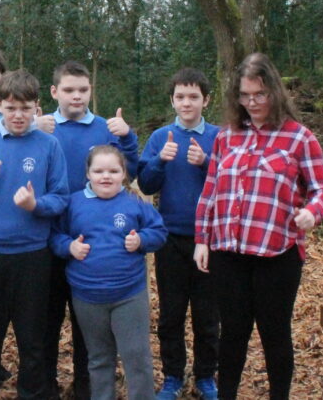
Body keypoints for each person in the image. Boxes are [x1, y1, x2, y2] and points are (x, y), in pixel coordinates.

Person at [193, 53, 323, 400]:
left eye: (260, 94)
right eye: (245, 95)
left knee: (274, 334)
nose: (252, 102)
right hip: (229, 252)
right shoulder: (227, 137)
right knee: (233, 333)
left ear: (274, 91)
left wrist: (311, 213)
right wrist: (202, 239)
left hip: (278, 253)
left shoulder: (299, 138)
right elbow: (210, 192)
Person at [0, 69, 70, 400]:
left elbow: (60, 197)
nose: (17, 115)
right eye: (10, 108)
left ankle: (31, 393)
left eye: (25, 108)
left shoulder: (49, 145)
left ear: (37, 107)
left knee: (32, 337)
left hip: (33, 255)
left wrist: (36, 204)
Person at [36, 60, 139, 399]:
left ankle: (87, 387)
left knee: (87, 325)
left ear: (90, 91)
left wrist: (128, 136)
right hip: (50, 235)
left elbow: (130, 172)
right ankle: (46, 385)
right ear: (54, 92)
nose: (76, 96)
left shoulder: (106, 129)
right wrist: (34, 131)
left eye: (82, 90)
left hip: (94, 240)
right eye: (68, 90)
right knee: (48, 320)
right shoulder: (43, 127)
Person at [50, 145, 166, 400]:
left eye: (113, 171)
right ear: (88, 174)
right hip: (87, 296)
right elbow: (55, 236)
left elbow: (158, 232)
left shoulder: (134, 202)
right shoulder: (73, 202)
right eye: (98, 170)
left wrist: (142, 241)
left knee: (136, 357)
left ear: (124, 173)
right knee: (99, 358)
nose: (106, 176)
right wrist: (69, 246)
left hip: (129, 295)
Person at [137, 68, 221, 400]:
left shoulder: (219, 136)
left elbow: (231, 184)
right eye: (180, 97)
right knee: (171, 314)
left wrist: (206, 162)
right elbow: (146, 184)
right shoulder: (160, 137)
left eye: (194, 97)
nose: (187, 103)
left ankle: (205, 377)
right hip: (169, 238)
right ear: (172, 100)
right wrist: (159, 161)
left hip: (209, 241)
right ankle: (172, 376)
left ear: (206, 100)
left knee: (207, 316)